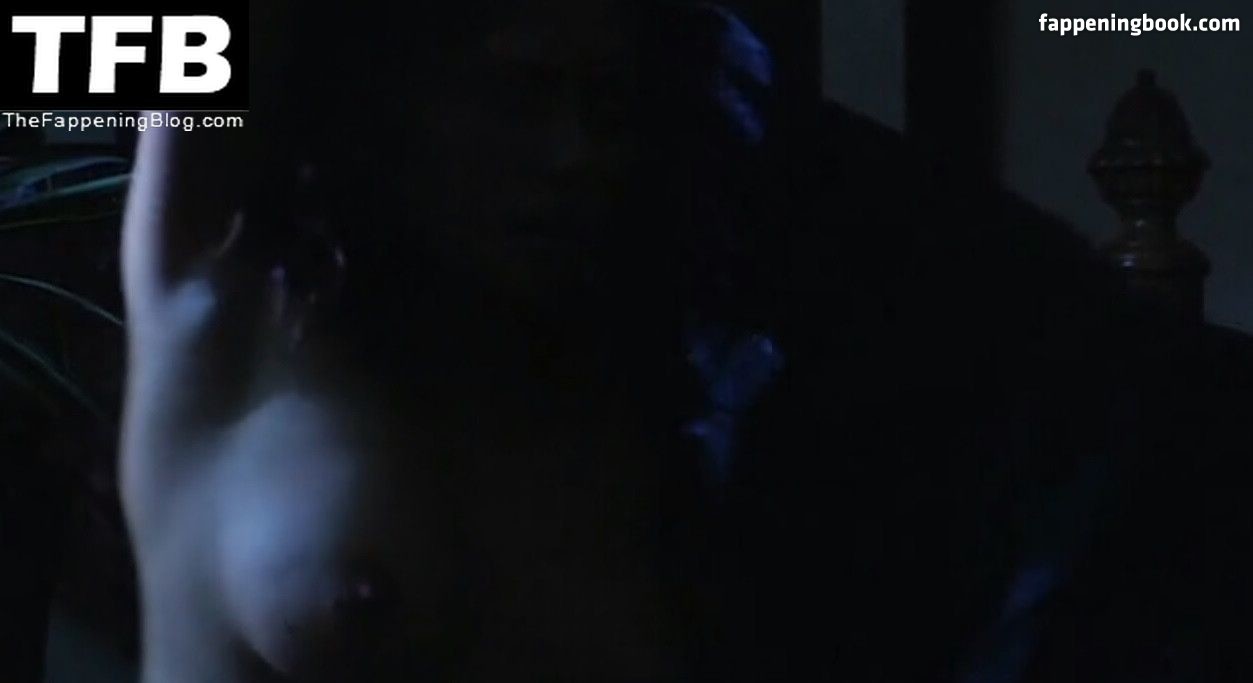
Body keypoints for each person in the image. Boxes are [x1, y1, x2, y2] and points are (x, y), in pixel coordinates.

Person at [119, 1, 1134, 681]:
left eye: (607, 108)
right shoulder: (217, 305)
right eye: (521, 95)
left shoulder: (657, 400)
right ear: (397, 101)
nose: (577, 152)